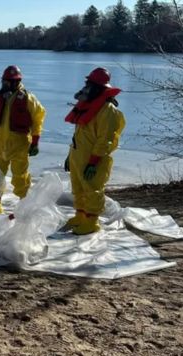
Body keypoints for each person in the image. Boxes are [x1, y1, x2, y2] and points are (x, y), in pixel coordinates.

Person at [64, 67, 125, 235]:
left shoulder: (108, 111)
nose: (86, 87)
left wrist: (93, 161)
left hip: (94, 158)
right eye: (87, 83)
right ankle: (80, 216)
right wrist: (70, 156)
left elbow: (106, 139)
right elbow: (79, 135)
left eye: (90, 84)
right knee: (78, 189)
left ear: (99, 87)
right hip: (78, 155)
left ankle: (92, 221)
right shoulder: (87, 106)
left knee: (93, 189)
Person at [0, 65, 46, 214]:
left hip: (19, 143)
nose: (4, 84)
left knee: (20, 177)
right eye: (3, 81)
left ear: (15, 82)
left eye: (7, 82)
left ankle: (24, 204)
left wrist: (35, 141)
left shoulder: (28, 98)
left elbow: (38, 119)